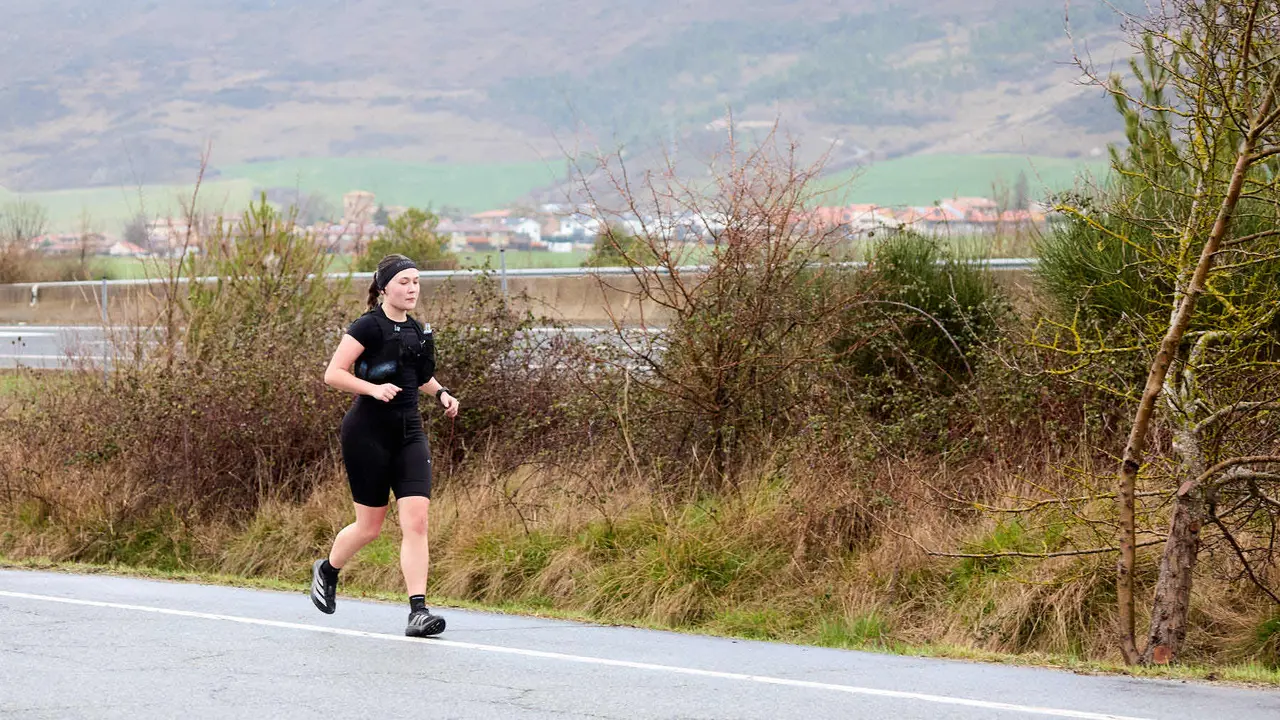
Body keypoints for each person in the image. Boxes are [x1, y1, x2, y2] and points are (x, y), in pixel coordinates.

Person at [310, 253, 460, 637]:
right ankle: (327, 569)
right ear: (384, 287)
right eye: (404, 282)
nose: (412, 289)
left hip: (410, 433)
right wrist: (373, 389)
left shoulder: (416, 330)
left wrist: (441, 393)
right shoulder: (367, 327)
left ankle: (418, 612)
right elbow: (333, 374)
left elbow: (418, 375)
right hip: (367, 435)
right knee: (370, 527)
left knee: (417, 521)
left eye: (416, 282)